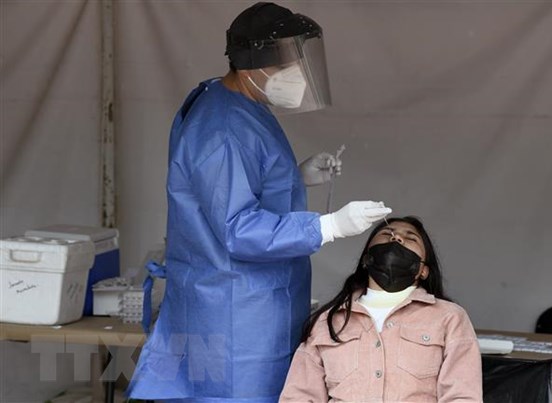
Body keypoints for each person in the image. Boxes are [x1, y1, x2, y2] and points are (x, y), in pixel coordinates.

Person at [127, 2, 391, 402]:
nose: (298, 73)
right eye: (287, 65)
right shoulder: (222, 128)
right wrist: (329, 226)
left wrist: (295, 176)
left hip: (253, 304)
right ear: (252, 67)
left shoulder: (240, 103)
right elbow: (237, 227)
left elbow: (228, 186)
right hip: (233, 312)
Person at [280, 216, 483, 402]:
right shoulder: (328, 321)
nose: (396, 239)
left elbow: (462, 396)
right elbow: (298, 397)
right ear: (366, 259)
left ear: (423, 270)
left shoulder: (449, 317)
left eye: (410, 238)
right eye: (387, 234)